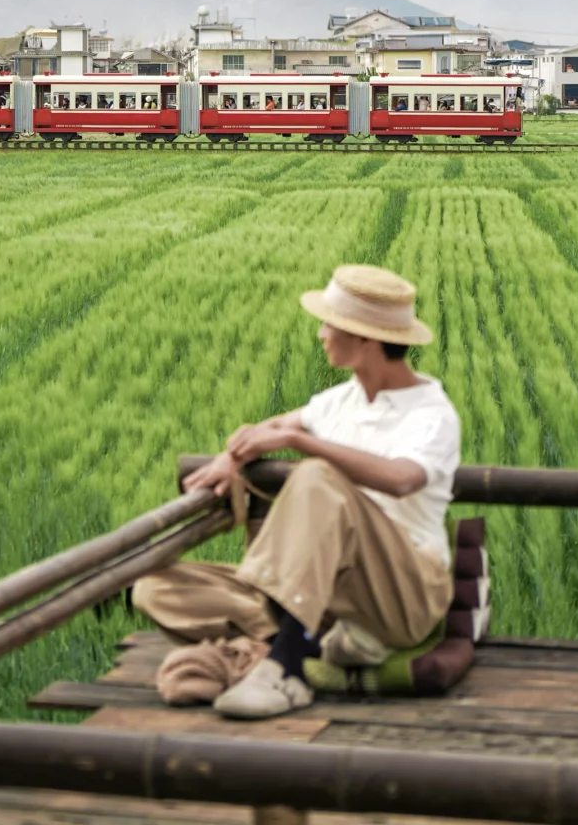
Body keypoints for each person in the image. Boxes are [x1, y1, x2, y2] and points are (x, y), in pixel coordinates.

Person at [133, 264, 460, 720]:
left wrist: (301, 444)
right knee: (155, 588)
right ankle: (320, 640)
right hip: (325, 593)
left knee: (317, 477)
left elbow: (402, 478)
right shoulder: (339, 402)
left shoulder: (431, 414)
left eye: (329, 324)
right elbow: (265, 429)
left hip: (404, 592)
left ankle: (285, 668)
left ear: (363, 339)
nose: (321, 333)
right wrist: (231, 459)